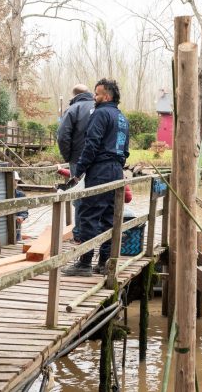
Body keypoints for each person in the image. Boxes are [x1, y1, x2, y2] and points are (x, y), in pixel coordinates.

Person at [61, 78, 130, 277]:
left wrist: (80, 170)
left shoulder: (100, 114)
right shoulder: (122, 118)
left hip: (100, 170)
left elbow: (91, 144)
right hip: (116, 170)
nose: (94, 97)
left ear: (107, 96)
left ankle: (84, 263)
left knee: (88, 214)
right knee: (109, 216)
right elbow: (125, 150)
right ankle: (104, 262)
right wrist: (117, 166)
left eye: (97, 94)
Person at [56, 84, 95, 241]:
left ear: (74, 95)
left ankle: (79, 233)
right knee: (97, 194)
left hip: (78, 159)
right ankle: (95, 232)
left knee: (78, 194)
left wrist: (68, 157)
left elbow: (62, 136)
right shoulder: (100, 108)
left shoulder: (73, 109)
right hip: (98, 160)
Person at [13, 172, 29, 242]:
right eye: (14, 180)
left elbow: (25, 211)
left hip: (17, 226)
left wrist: (22, 217)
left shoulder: (21, 194)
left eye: (16, 181)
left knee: (17, 241)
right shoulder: (0, 195)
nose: (15, 183)